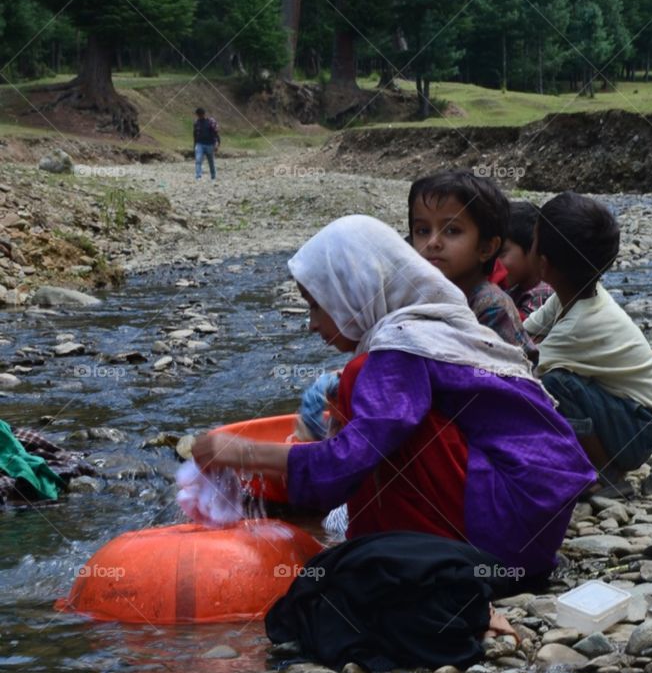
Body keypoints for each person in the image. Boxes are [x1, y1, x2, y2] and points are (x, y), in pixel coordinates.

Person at [193, 215, 595, 579]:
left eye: (317, 304)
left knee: (357, 385)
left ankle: (410, 554)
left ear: (355, 290)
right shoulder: (432, 326)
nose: (312, 323)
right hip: (533, 527)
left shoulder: (400, 347)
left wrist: (240, 452)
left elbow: (351, 459)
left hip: (505, 537)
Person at [525, 191, 652, 485]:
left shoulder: (580, 323)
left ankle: (605, 471)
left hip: (637, 430)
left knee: (553, 383)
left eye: (532, 241)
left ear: (545, 264)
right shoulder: (574, 294)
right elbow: (524, 334)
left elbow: (525, 367)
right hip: (627, 414)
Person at [408, 169, 534, 357]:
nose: (432, 242)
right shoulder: (421, 293)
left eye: (452, 231)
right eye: (422, 230)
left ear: (486, 248)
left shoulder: (490, 307)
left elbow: (504, 377)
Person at [500, 200, 554, 320]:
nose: (495, 264)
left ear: (533, 249)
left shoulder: (541, 295)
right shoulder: (515, 288)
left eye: (501, 253)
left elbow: (519, 334)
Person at [193, 107, 220, 181]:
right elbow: (195, 135)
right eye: (198, 115)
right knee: (198, 160)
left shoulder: (211, 122)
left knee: (211, 161)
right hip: (199, 144)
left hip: (210, 144)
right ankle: (198, 176)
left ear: (204, 114)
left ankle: (213, 176)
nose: (199, 116)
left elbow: (216, 133)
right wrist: (195, 145)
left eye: (200, 115)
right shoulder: (196, 123)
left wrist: (217, 143)